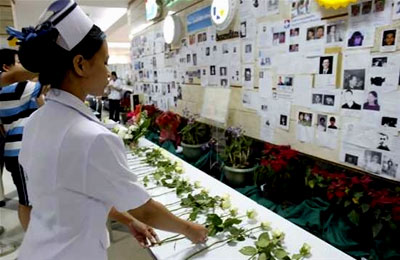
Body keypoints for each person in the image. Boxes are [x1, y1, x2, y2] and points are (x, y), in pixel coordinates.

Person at [8, 1, 207, 259]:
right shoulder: (93, 138)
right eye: (105, 61)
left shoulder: (36, 120)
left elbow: (73, 192)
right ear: (81, 65)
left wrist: (126, 220)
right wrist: (190, 229)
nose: (108, 72)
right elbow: (144, 210)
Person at [0, 48, 44, 231]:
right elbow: (48, 79)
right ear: (6, 67)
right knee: (27, 201)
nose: (22, 66)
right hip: (21, 153)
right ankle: (32, 244)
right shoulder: (17, 88)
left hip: (15, 150)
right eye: (18, 63)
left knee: (29, 198)